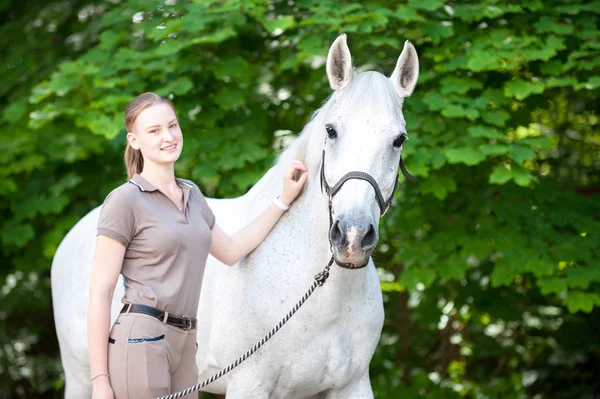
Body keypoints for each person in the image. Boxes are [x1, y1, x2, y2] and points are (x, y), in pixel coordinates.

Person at [87, 92, 308, 399]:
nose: (168, 136)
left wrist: (283, 199)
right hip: (141, 339)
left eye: (173, 126)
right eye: (154, 131)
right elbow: (100, 292)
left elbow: (231, 251)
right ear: (134, 140)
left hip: (188, 339)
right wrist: (99, 381)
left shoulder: (191, 195)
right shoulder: (125, 200)